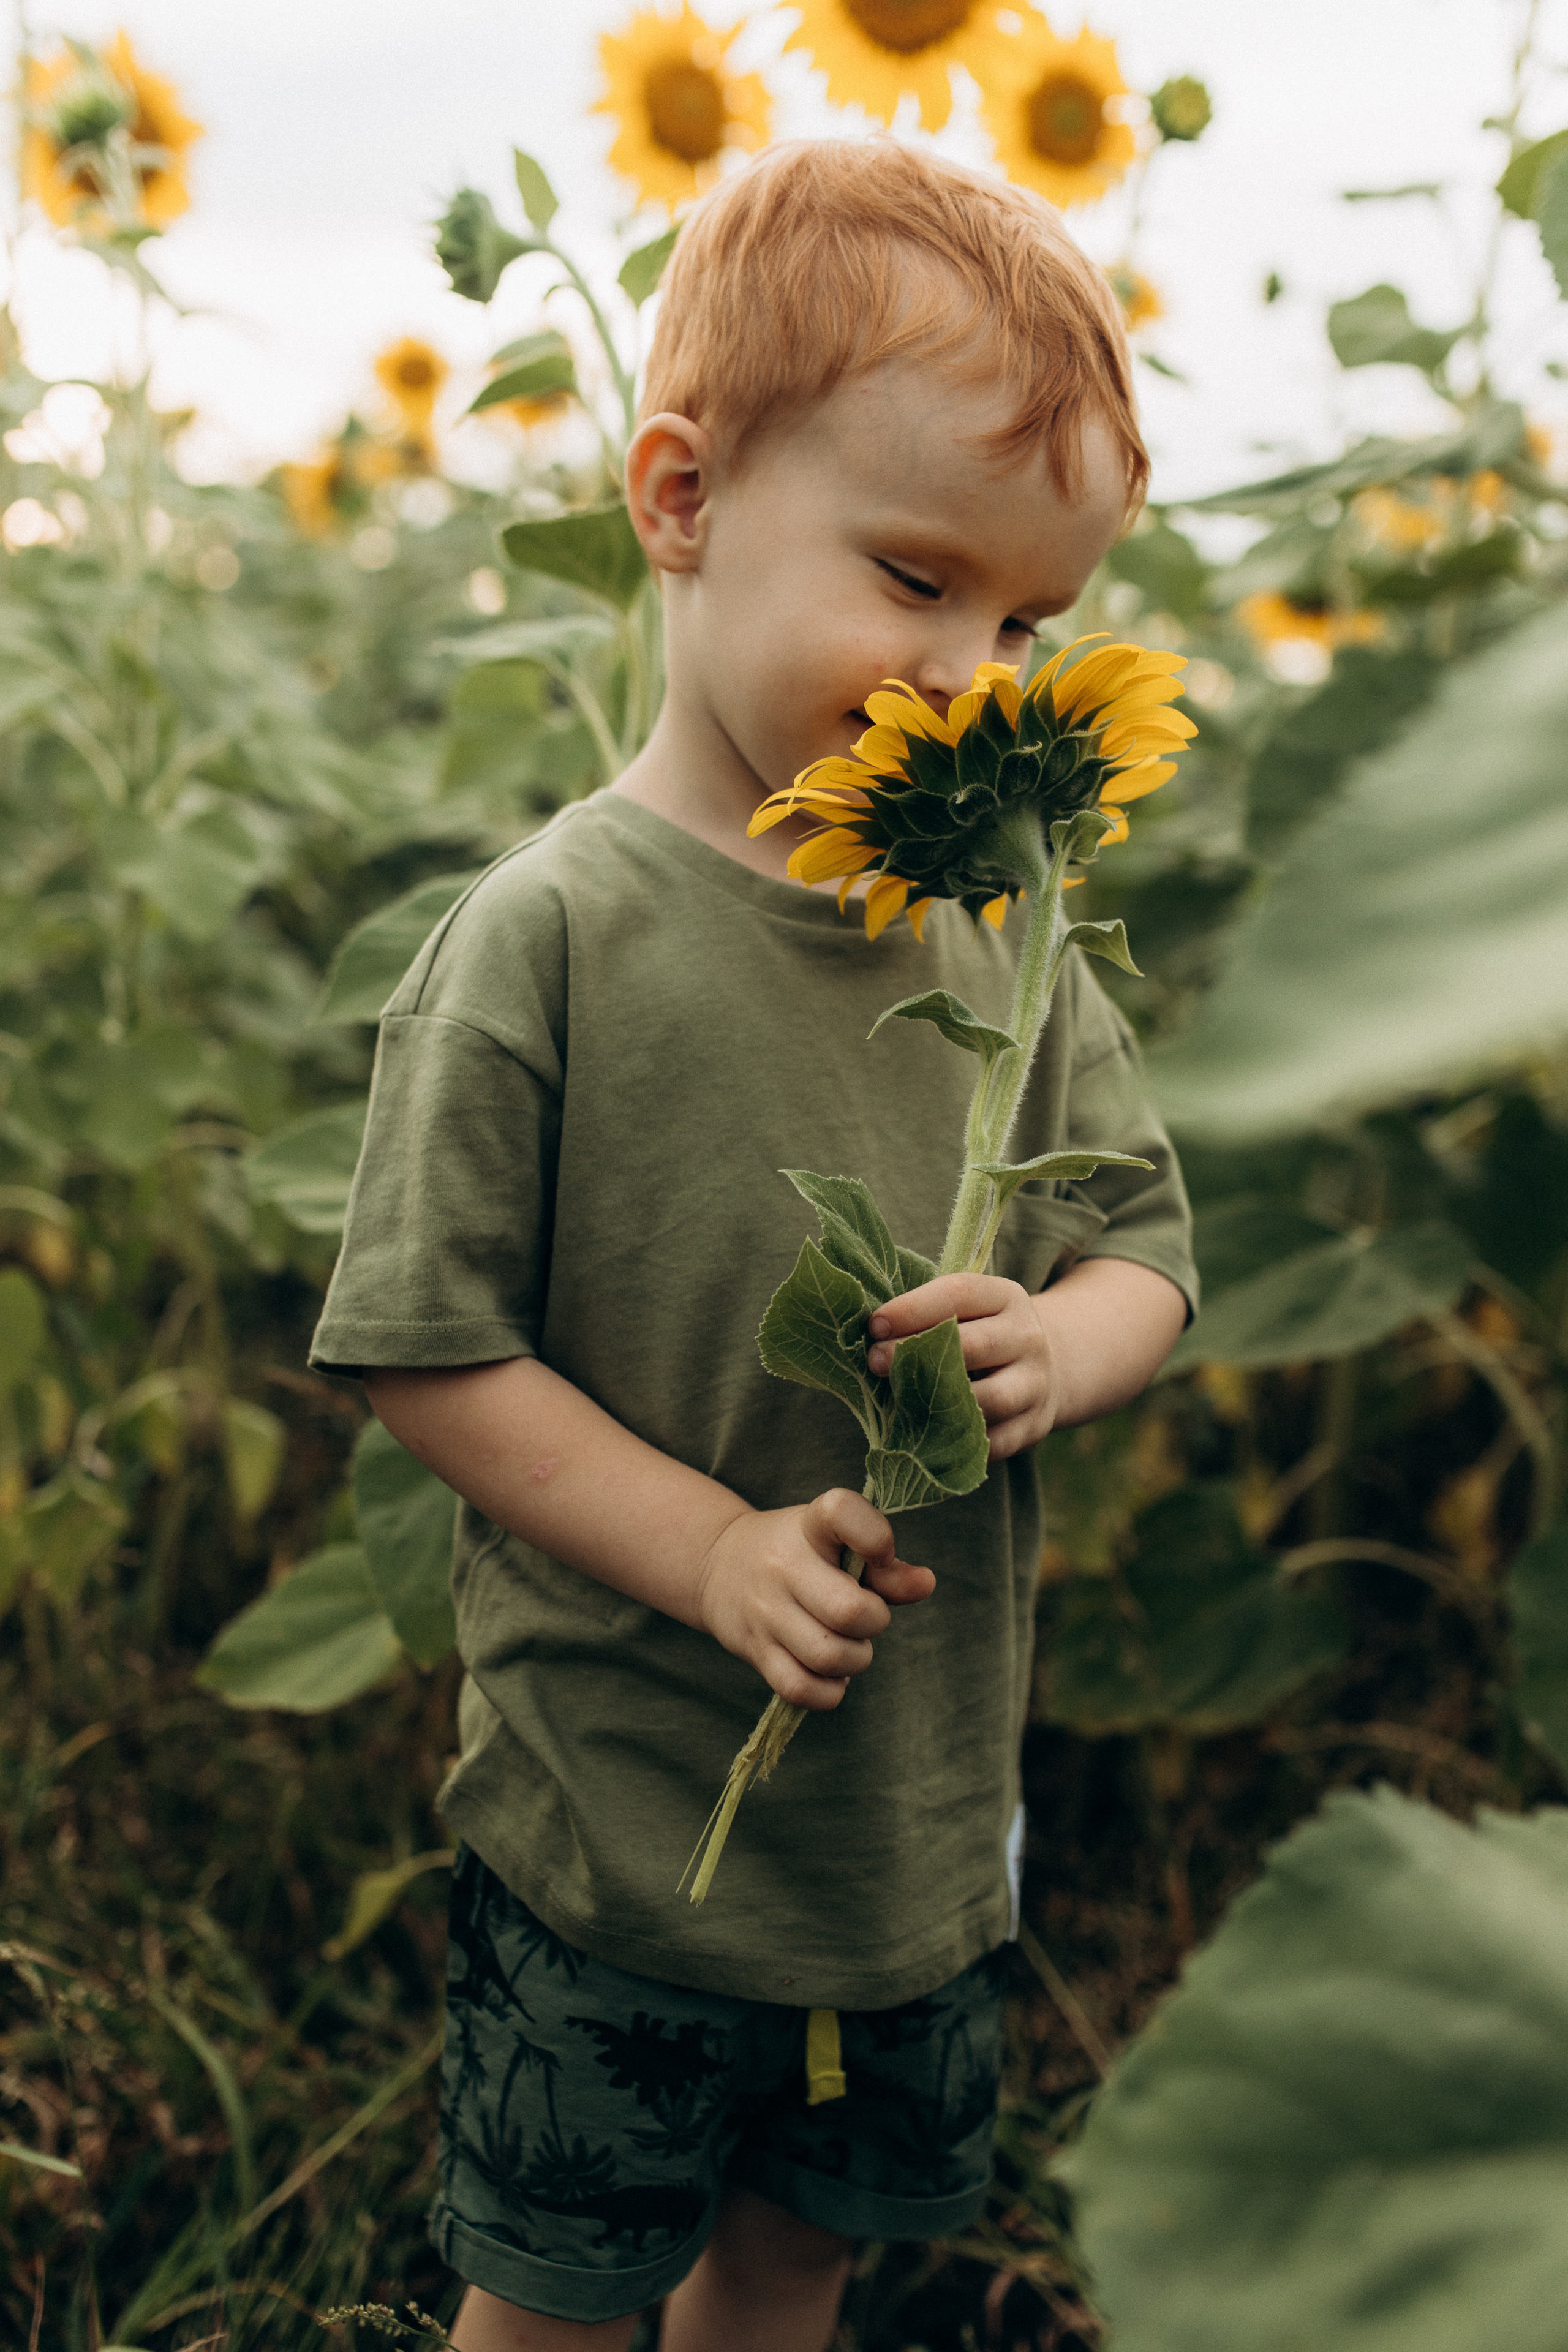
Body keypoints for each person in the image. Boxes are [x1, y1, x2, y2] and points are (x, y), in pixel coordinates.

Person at [311, 137, 1197, 2352]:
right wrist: (710, 1551)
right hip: (616, 1825)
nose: (976, 681)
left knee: (799, 2258)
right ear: (682, 498)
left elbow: (1144, 1242)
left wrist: (1064, 1348)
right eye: (915, 579)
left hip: (915, 1830)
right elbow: (426, 1346)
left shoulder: (1013, 925)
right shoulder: (548, 942)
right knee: (557, 2283)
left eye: (1029, 626)